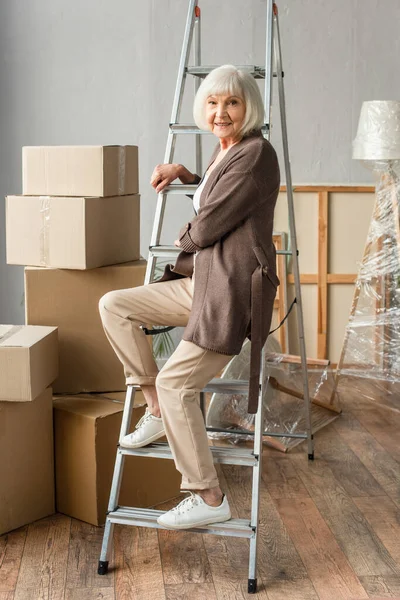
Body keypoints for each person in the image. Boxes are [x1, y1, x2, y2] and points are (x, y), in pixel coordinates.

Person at [98, 64, 280, 530]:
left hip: (229, 291)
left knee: (179, 383)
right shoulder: (229, 153)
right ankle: (154, 407)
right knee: (114, 305)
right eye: (214, 103)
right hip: (201, 285)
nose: (222, 112)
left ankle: (208, 494)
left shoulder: (257, 152)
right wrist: (188, 175)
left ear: (249, 108)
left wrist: (188, 230)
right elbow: (217, 192)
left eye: (233, 103)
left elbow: (208, 225)